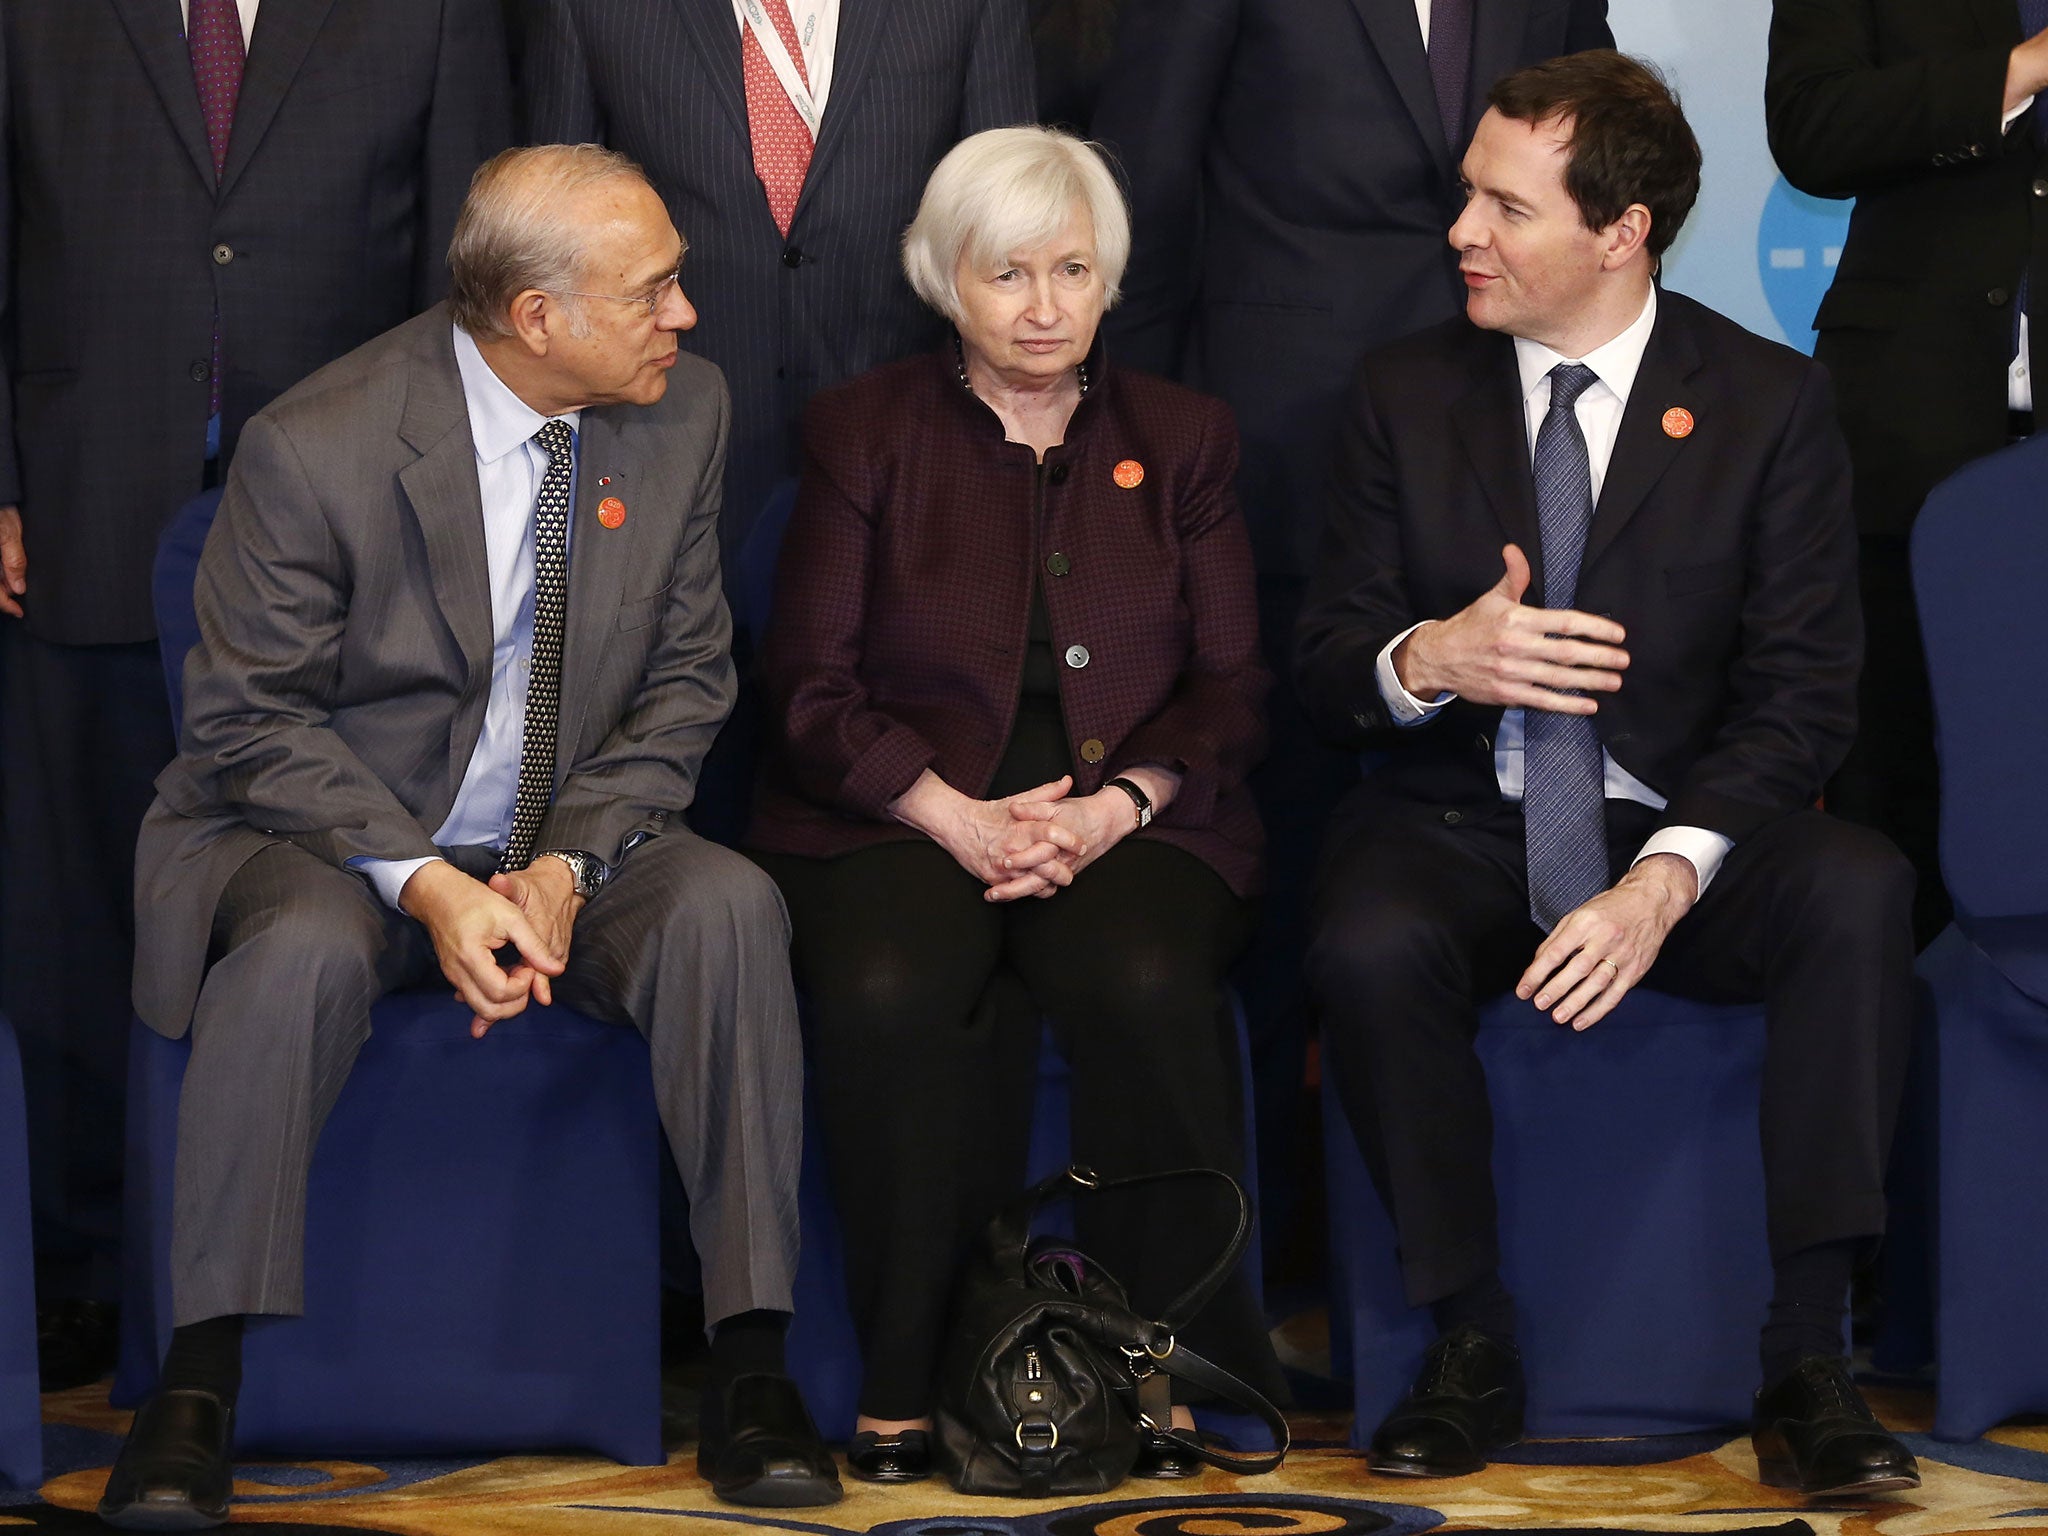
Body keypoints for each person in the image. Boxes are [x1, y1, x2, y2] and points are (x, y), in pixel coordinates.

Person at [100, 146, 836, 1530]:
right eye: (655, 290)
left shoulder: (684, 416)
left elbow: (688, 683)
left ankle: (752, 1364)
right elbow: (248, 724)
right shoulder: (320, 441)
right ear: (536, 317)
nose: (687, 315)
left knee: (729, 906)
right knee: (302, 954)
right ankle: (195, 1388)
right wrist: (432, 884)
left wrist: (563, 869)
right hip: (326, 835)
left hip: (568, 834)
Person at [1297, 52, 1919, 1498]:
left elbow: (1803, 695)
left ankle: (1808, 1361)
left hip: (1681, 829)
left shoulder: (1767, 404)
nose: (1462, 231)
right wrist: (1434, 658)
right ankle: (1467, 1344)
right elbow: (1328, 660)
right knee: (1365, 934)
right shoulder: (1402, 392)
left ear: (1619, 231)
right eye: (1468, 196)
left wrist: (1660, 879)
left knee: (1858, 890)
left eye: (1504, 208)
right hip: (1461, 816)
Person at [747, 125, 1284, 1485]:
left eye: (1072, 270)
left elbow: (1230, 687)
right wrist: (952, 815)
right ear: (945, 279)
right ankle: (903, 1380)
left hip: (1129, 798)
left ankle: (1153, 1371)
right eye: (1007, 274)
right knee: (887, 986)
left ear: (1110, 282)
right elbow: (808, 689)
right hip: (899, 794)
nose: (1043, 306)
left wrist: (1121, 810)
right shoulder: (863, 430)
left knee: (1149, 976)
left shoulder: (1188, 439)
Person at [0, 0, 511, 1391]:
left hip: (354, 548)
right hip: (86, 499)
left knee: (313, 898)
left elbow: (458, 277)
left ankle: (292, 1295)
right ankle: (83, 1274)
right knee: (80, 913)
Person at [1089, 0, 1614, 1261]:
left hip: (1503, 431)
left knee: (1457, 829)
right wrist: (1139, 446)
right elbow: (1147, 184)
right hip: (1279, 448)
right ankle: (1266, 1242)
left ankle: (1454, 1236)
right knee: (1282, 843)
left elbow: (1598, 159)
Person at [1767, 0, 2048, 946]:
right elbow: (1813, 128)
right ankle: (1893, 1067)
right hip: (1911, 431)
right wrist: (2021, 72)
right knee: (1893, 787)